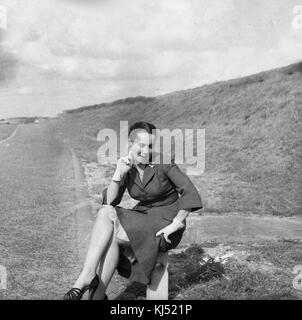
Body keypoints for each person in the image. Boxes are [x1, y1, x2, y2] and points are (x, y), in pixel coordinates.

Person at [63, 121, 202, 300]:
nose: (146, 151)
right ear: (131, 143)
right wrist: (118, 174)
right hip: (144, 217)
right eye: (141, 145)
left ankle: (87, 280)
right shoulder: (127, 165)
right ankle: (96, 294)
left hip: (166, 223)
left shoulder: (163, 161)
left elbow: (189, 191)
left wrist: (176, 223)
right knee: (107, 221)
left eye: (150, 146)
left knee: (107, 220)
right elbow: (111, 202)